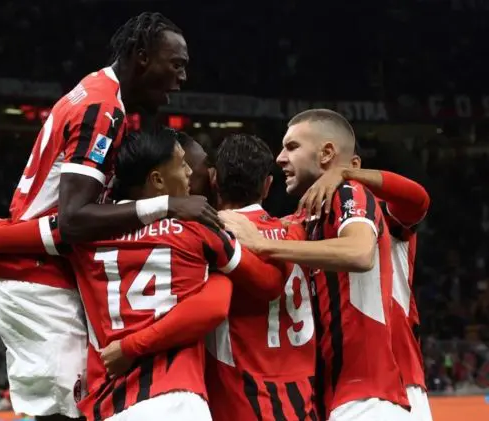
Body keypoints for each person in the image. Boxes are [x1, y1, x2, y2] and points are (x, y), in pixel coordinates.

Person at [0, 13, 218, 421]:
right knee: (67, 412)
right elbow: (73, 219)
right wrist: (167, 206)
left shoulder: (96, 93)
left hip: (37, 267)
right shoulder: (102, 109)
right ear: (141, 57)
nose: (182, 77)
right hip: (35, 277)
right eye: (176, 64)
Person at [71, 128, 285, 421]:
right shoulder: (200, 230)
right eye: (186, 166)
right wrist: (220, 274)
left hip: (110, 405)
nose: (192, 175)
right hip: (176, 399)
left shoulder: (83, 233)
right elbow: (267, 284)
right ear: (158, 179)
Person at [220, 109, 410, 421]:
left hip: (368, 398)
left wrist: (262, 243)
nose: (280, 158)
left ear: (326, 154)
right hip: (332, 398)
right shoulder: (305, 220)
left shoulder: (348, 191)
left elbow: (360, 252)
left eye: (292, 147)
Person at [296, 149, 432, 421]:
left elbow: (417, 199)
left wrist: (345, 174)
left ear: (355, 164)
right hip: (340, 387)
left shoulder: (381, 212)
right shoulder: (308, 225)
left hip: (397, 380)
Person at [204, 134, 317, 421]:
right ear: (267, 185)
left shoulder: (210, 236)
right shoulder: (297, 233)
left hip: (242, 398)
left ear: (214, 179)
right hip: (302, 399)